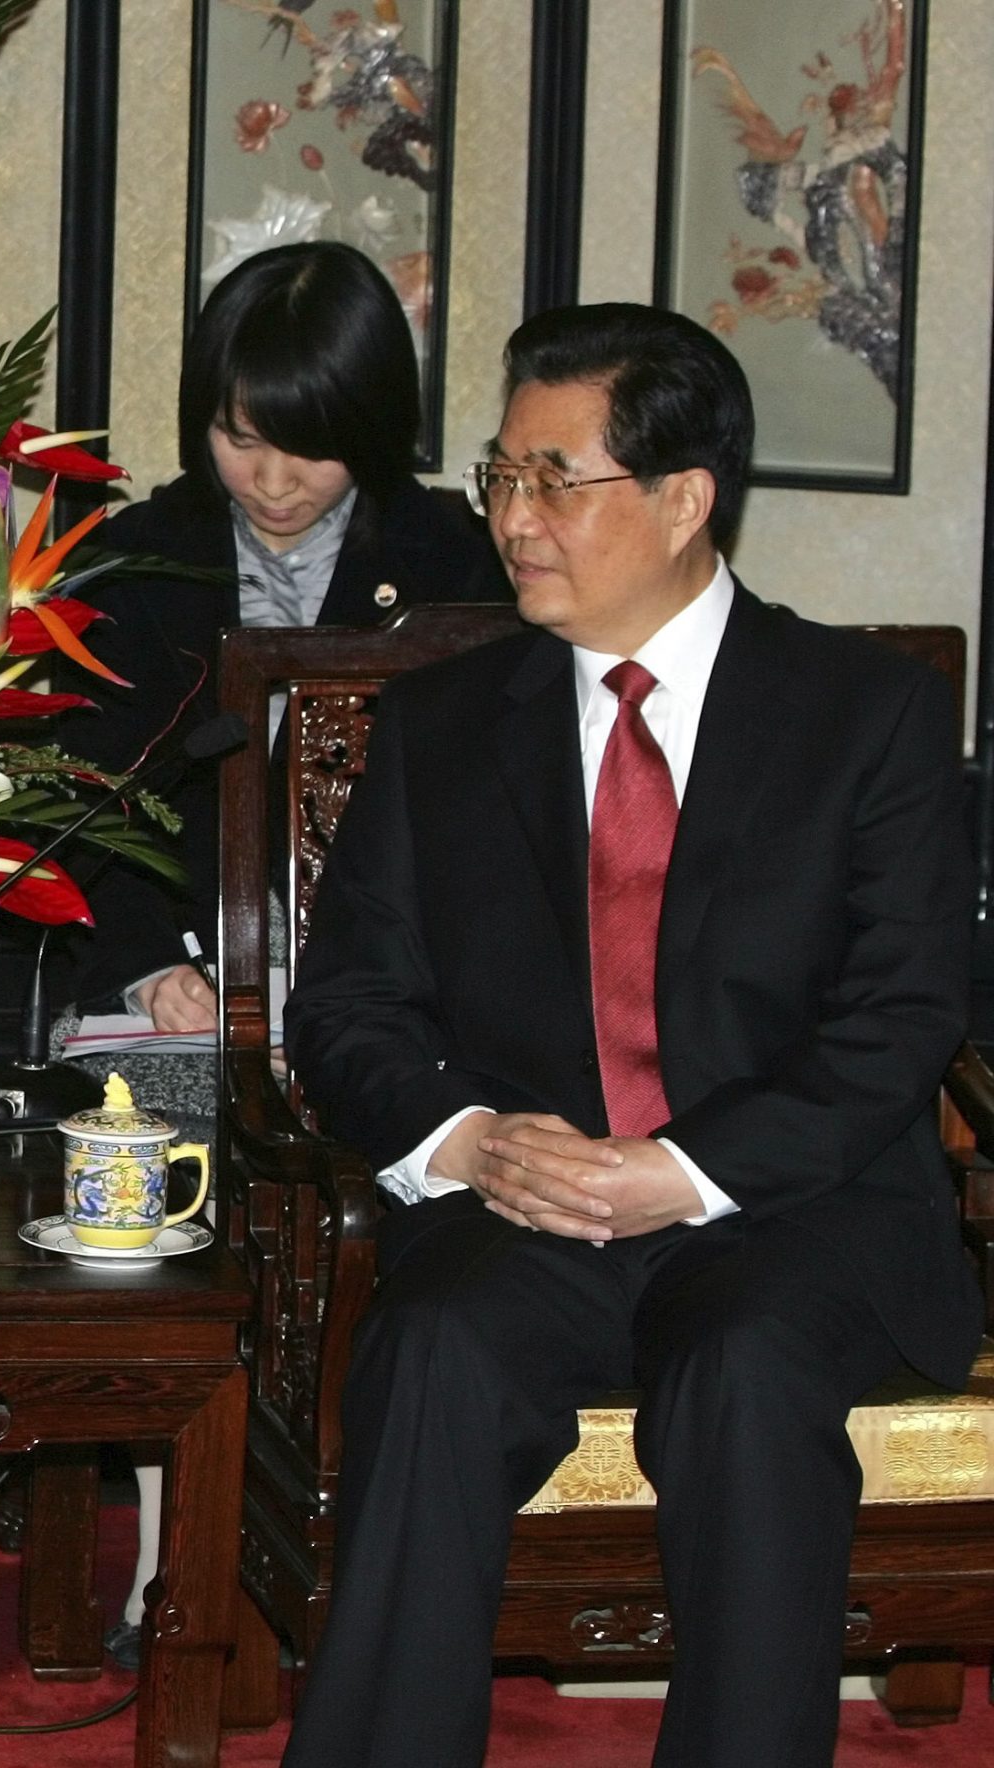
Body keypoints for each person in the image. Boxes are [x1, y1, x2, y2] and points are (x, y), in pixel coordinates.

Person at [279, 304, 975, 1767]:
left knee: (745, 1359)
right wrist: (472, 1143)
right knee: (433, 1349)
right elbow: (346, 1009)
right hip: (532, 1210)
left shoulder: (870, 718)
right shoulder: (445, 728)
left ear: (681, 498)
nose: (513, 520)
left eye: (553, 479)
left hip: (801, 1212)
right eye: (500, 477)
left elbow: (902, 1017)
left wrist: (689, 1172)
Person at [59, 240, 504, 1030]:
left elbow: (484, 827)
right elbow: (83, 800)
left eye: (311, 448)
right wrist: (148, 968)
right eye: (241, 440)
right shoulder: (133, 565)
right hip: (186, 986)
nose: (272, 483)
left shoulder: (461, 566)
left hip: (407, 997)